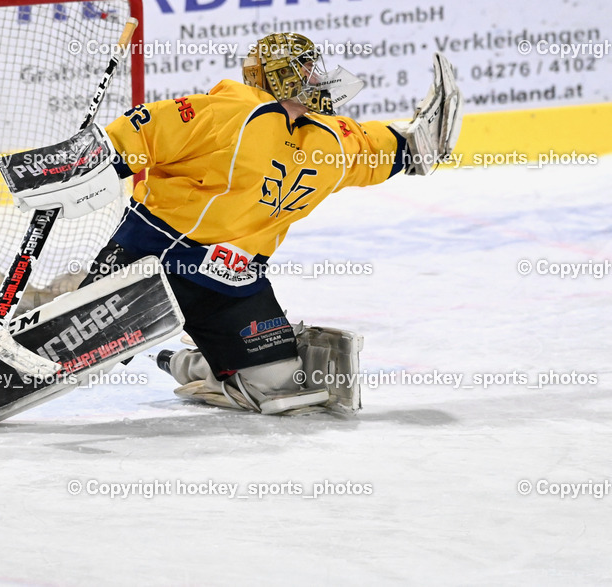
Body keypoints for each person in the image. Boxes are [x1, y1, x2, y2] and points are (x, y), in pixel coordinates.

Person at [66, 31, 463, 414]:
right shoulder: (224, 112)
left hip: (233, 283)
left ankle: (192, 366)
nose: (317, 76)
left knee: (278, 385)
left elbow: (378, 149)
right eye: (306, 67)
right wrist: (75, 165)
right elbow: (144, 130)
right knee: (68, 355)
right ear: (279, 75)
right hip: (152, 262)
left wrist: (420, 139)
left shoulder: (329, 140)